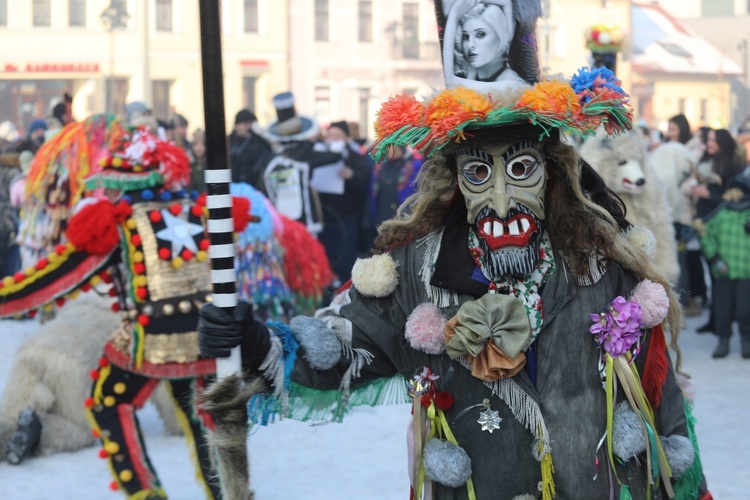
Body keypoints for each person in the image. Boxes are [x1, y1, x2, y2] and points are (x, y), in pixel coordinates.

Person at [197, 2, 710, 498]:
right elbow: (340, 347)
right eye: (479, 173)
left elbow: (659, 401)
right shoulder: (418, 272)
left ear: (551, 172)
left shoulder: (600, 263)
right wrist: (255, 341)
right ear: (455, 181)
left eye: (521, 169)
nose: (503, 201)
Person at [0, 126, 257, 498]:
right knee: (204, 417)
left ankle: (144, 492)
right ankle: (230, 494)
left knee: (108, 400)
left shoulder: (121, 223)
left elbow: (55, 279)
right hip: (209, 340)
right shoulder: (201, 210)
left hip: (151, 340)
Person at [700, 174, 750, 359]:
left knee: (746, 309)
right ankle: (723, 340)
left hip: (746, 271)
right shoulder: (721, 213)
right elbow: (706, 234)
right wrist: (715, 259)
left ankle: (746, 339)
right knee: (722, 308)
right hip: (723, 271)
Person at [317, 121, 372, 285]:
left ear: (346, 138)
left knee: (346, 259)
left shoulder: (355, 157)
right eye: (330, 136)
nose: (333, 139)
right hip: (325, 216)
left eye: (337, 136)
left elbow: (364, 182)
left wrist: (352, 175)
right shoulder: (320, 155)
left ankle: (344, 288)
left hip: (347, 217)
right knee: (327, 256)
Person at [229, 108, 273, 189]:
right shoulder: (228, 142)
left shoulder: (258, 143)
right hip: (232, 188)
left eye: (252, 123)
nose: (249, 127)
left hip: (253, 188)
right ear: (237, 125)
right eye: (246, 123)